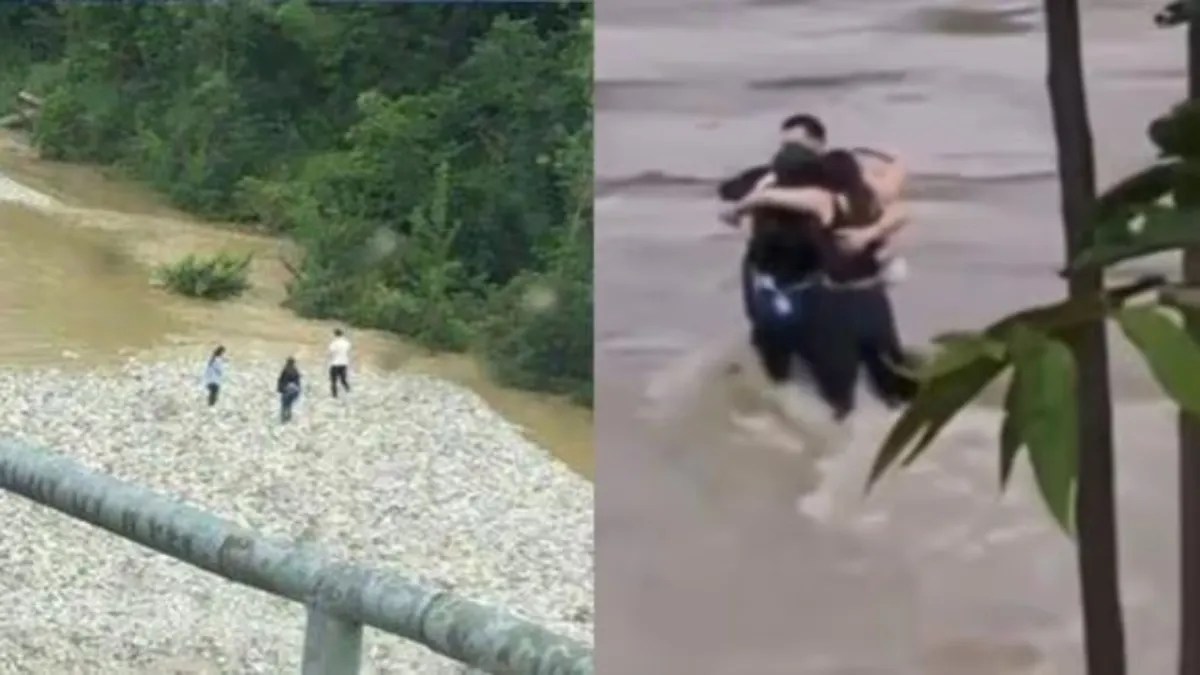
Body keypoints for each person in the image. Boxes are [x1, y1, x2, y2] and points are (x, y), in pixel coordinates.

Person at [731, 144, 917, 420]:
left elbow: (779, 202)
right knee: (895, 387)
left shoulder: (820, 203)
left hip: (832, 307)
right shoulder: (866, 199)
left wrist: (744, 204)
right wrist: (887, 157)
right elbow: (899, 195)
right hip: (873, 302)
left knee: (838, 399)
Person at [328, 328, 352, 398]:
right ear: (342, 334)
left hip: (335, 364)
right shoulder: (347, 343)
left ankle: (334, 396)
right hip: (344, 364)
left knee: (333, 381)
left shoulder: (334, 343)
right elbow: (348, 351)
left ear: (335, 334)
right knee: (343, 380)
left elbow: (331, 352)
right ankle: (348, 390)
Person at [277, 357, 302, 423]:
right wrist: (298, 393)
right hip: (294, 390)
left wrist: (280, 389)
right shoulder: (296, 371)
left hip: (287, 390)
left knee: (284, 406)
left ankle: (283, 421)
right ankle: (288, 419)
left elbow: (281, 380)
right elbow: (298, 382)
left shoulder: (285, 370)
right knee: (289, 406)